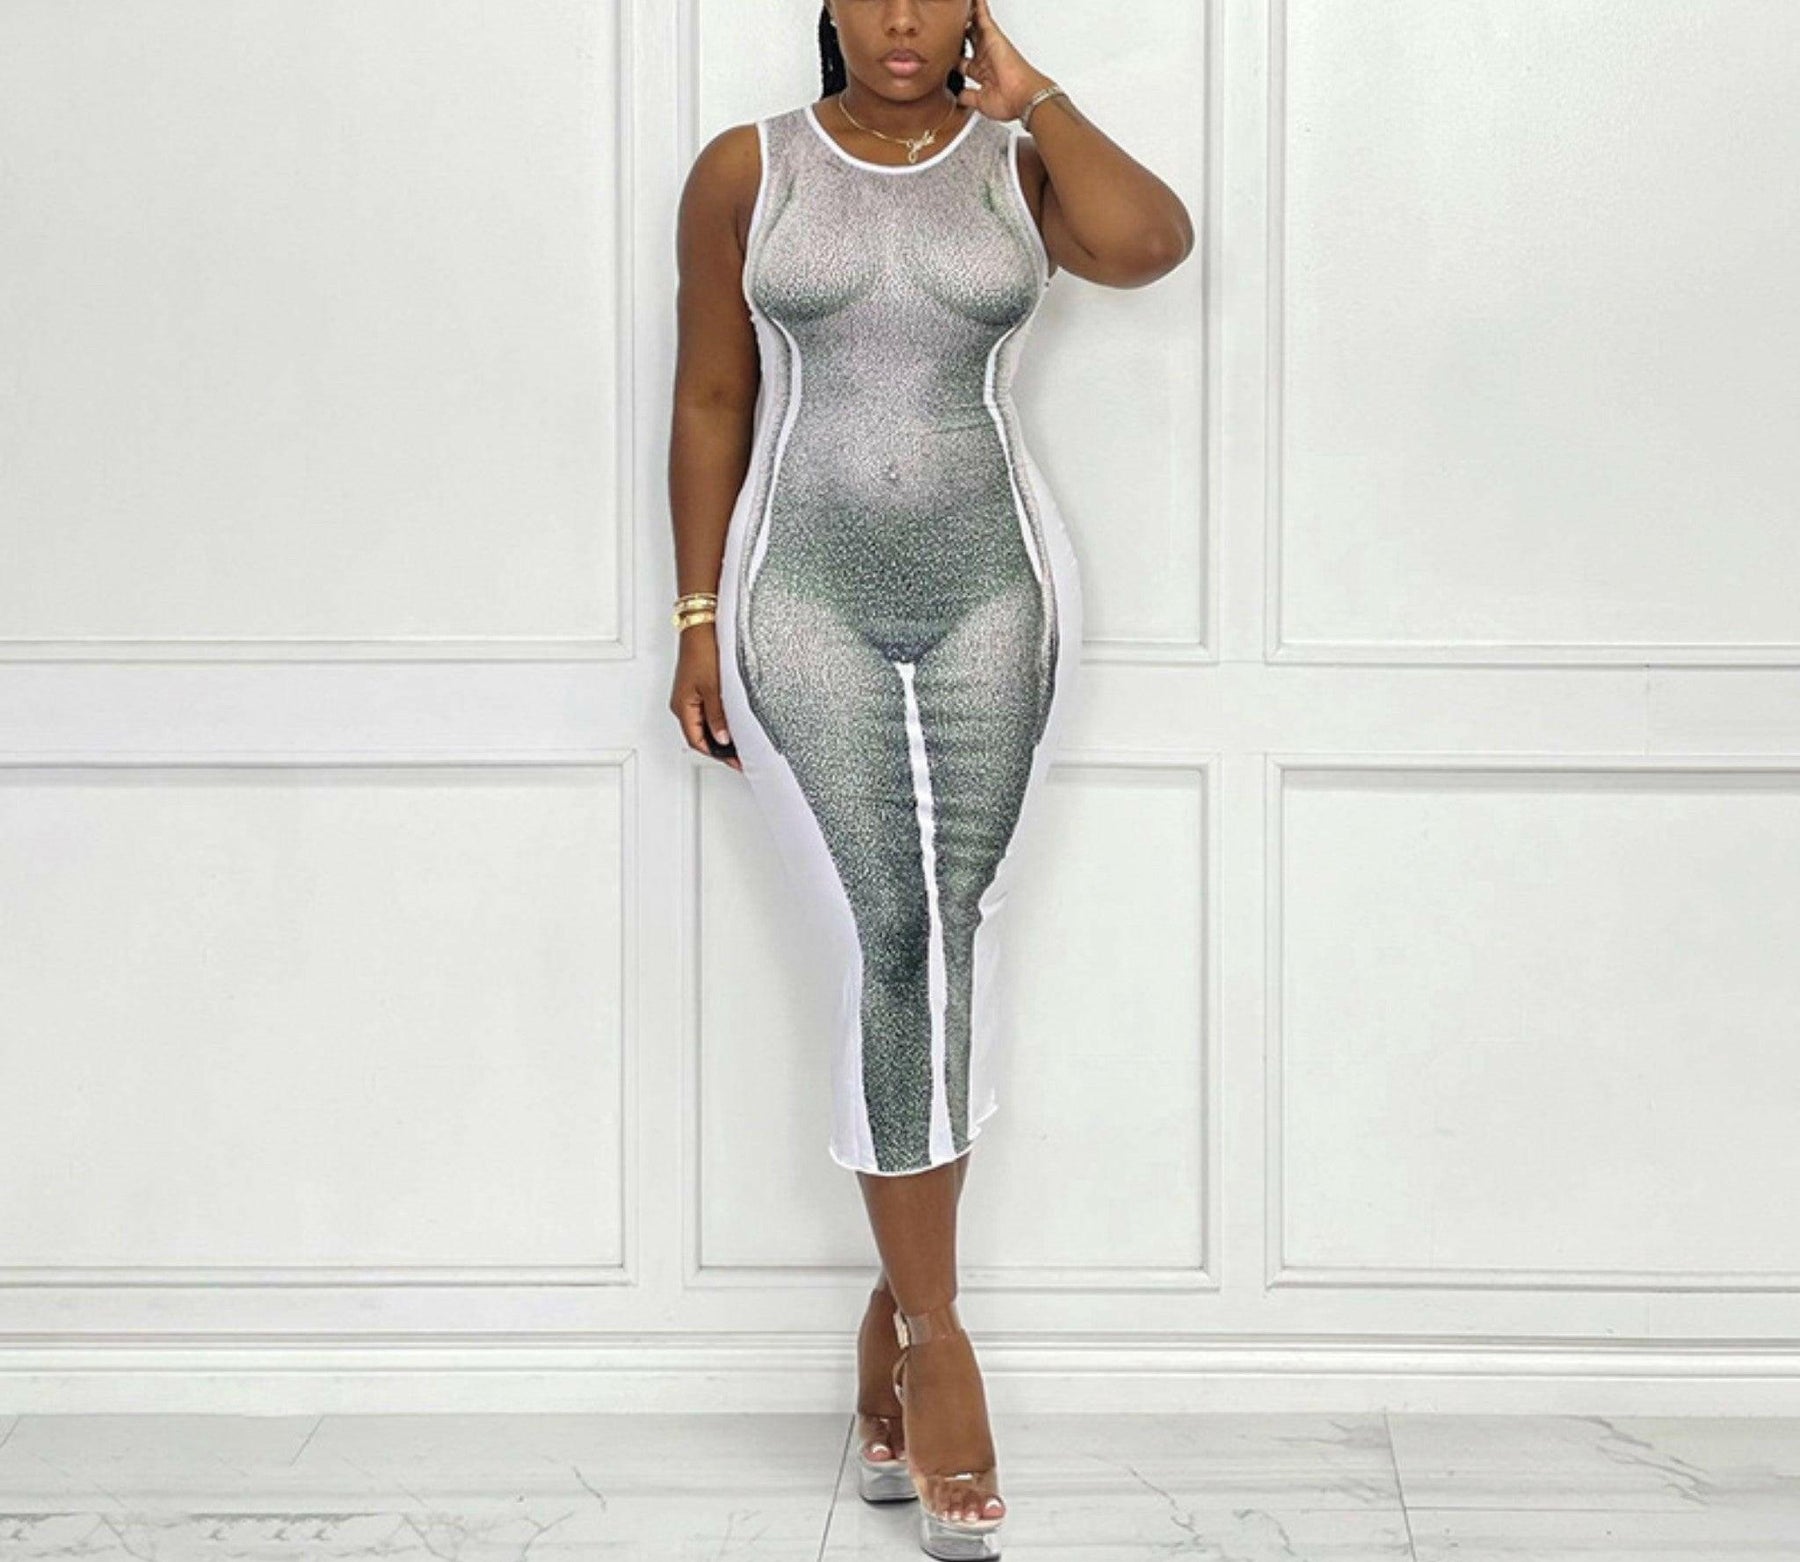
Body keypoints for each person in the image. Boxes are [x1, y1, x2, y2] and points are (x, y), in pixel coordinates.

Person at [667, 0, 1192, 1552]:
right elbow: (712, 394)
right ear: (827, 4)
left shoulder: (1018, 165)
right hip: (800, 588)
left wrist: (1041, 99)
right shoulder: (746, 168)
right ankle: (941, 1340)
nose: (904, 16)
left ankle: (892, 1312)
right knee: (889, 932)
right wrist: (693, 617)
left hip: (996, 591)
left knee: (950, 932)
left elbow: (1149, 244)